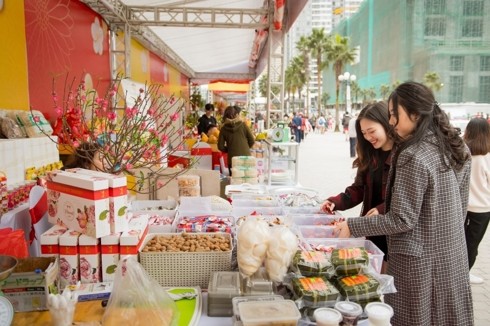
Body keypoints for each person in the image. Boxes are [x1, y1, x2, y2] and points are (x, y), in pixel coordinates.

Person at [334, 82, 473, 325]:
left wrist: (352, 226)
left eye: (393, 114)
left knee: (415, 316)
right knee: (445, 315)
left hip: (418, 260)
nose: (391, 122)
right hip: (452, 254)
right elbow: (460, 208)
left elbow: (402, 218)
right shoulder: (452, 146)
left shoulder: (412, 154)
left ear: (415, 114)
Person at [321, 102, 393, 273]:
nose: (368, 137)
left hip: (392, 231)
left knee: (387, 277)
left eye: (372, 131)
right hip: (371, 228)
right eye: (364, 133)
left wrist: (381, 209)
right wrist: (335, 202)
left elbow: (404, 199)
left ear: (386, 124)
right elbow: (358, 189)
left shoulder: (403, 157)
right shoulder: (369, 155)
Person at [463, 117, 490, 284]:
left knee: (459, 243)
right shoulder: (487, 156)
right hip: (482, 209)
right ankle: (464, 275)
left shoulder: (461, 153)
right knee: (472, 245)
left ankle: (457, 273)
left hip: (461, 207)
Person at [218, 106, 255, 175]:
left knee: (235, 180)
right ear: (236, 115)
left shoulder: (223, 129)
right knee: (246, 180)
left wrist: (229, 149)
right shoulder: (243, 125)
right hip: (246, 158)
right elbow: (252, 140)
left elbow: (220, 146)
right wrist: (245, 148)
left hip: (233, 160)